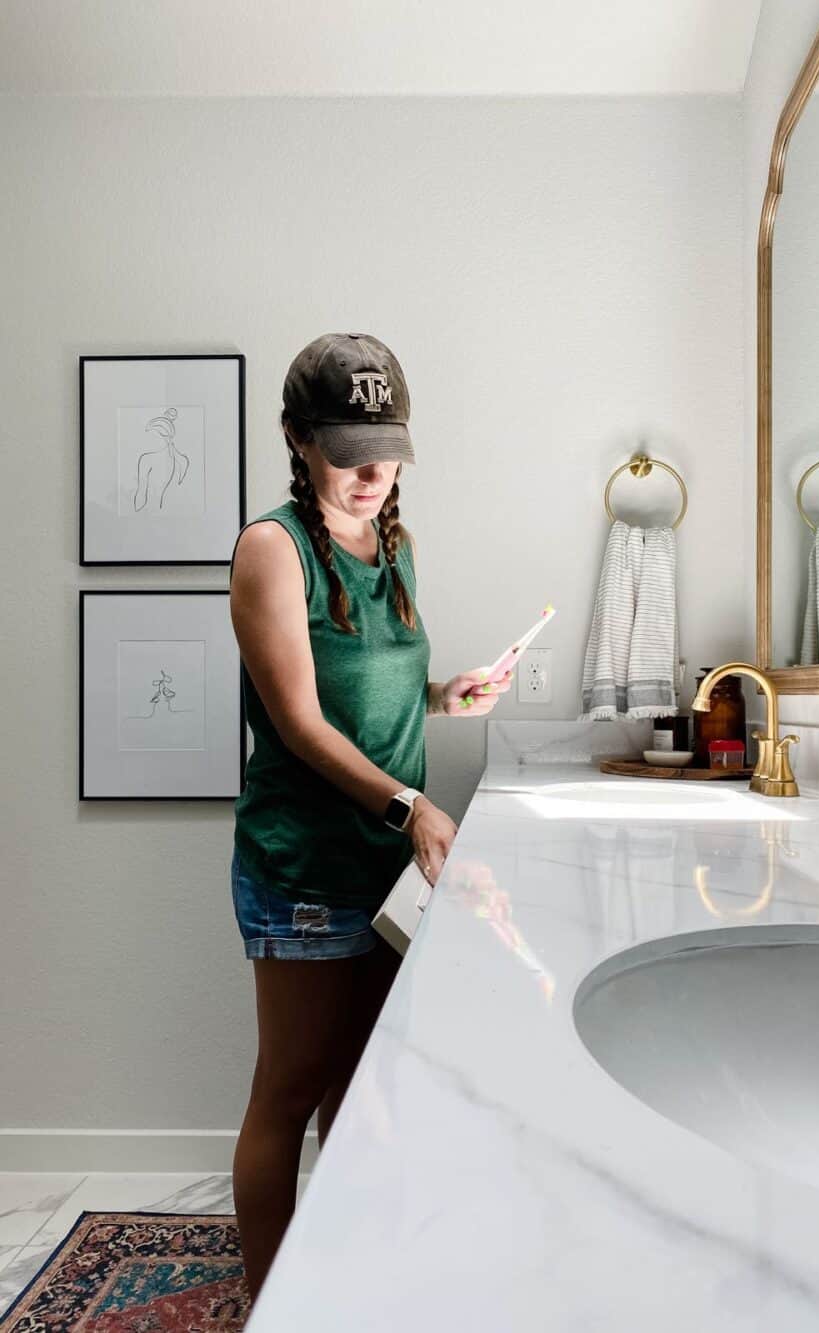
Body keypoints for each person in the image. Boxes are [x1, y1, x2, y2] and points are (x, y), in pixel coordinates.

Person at [227, 331, 512, 1304]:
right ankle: (269, 1303)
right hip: (304, 868)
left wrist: (443, 694)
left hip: (386, 867)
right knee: (290, 1091)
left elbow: (369, 689)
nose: (369, 471)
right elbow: (300, 721)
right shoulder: (274, 550)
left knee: (364, 1089)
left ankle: (341, 1289)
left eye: (384, 446)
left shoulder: (397, 546)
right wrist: (413, 807)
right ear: (296, 439)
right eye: (346, 447)